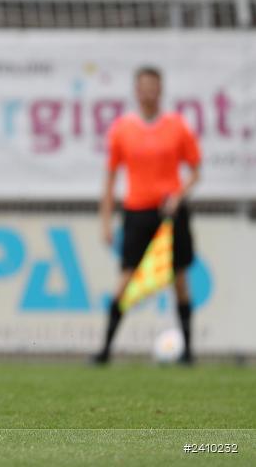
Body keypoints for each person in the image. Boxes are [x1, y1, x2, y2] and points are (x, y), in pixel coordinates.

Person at [93, 66, 201, 365]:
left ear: (161, 89)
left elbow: (195, 172)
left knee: (178, 277)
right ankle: (104, 350)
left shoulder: (177, 126)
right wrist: (105, 221)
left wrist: (178, 195)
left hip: (170, 212)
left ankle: (189, 352)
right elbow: (111, 179)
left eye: (153, 85)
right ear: (136, 91)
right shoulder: (122, 129)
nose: (148, 91)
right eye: (143, 86)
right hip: (137, 211)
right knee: (127, 278)